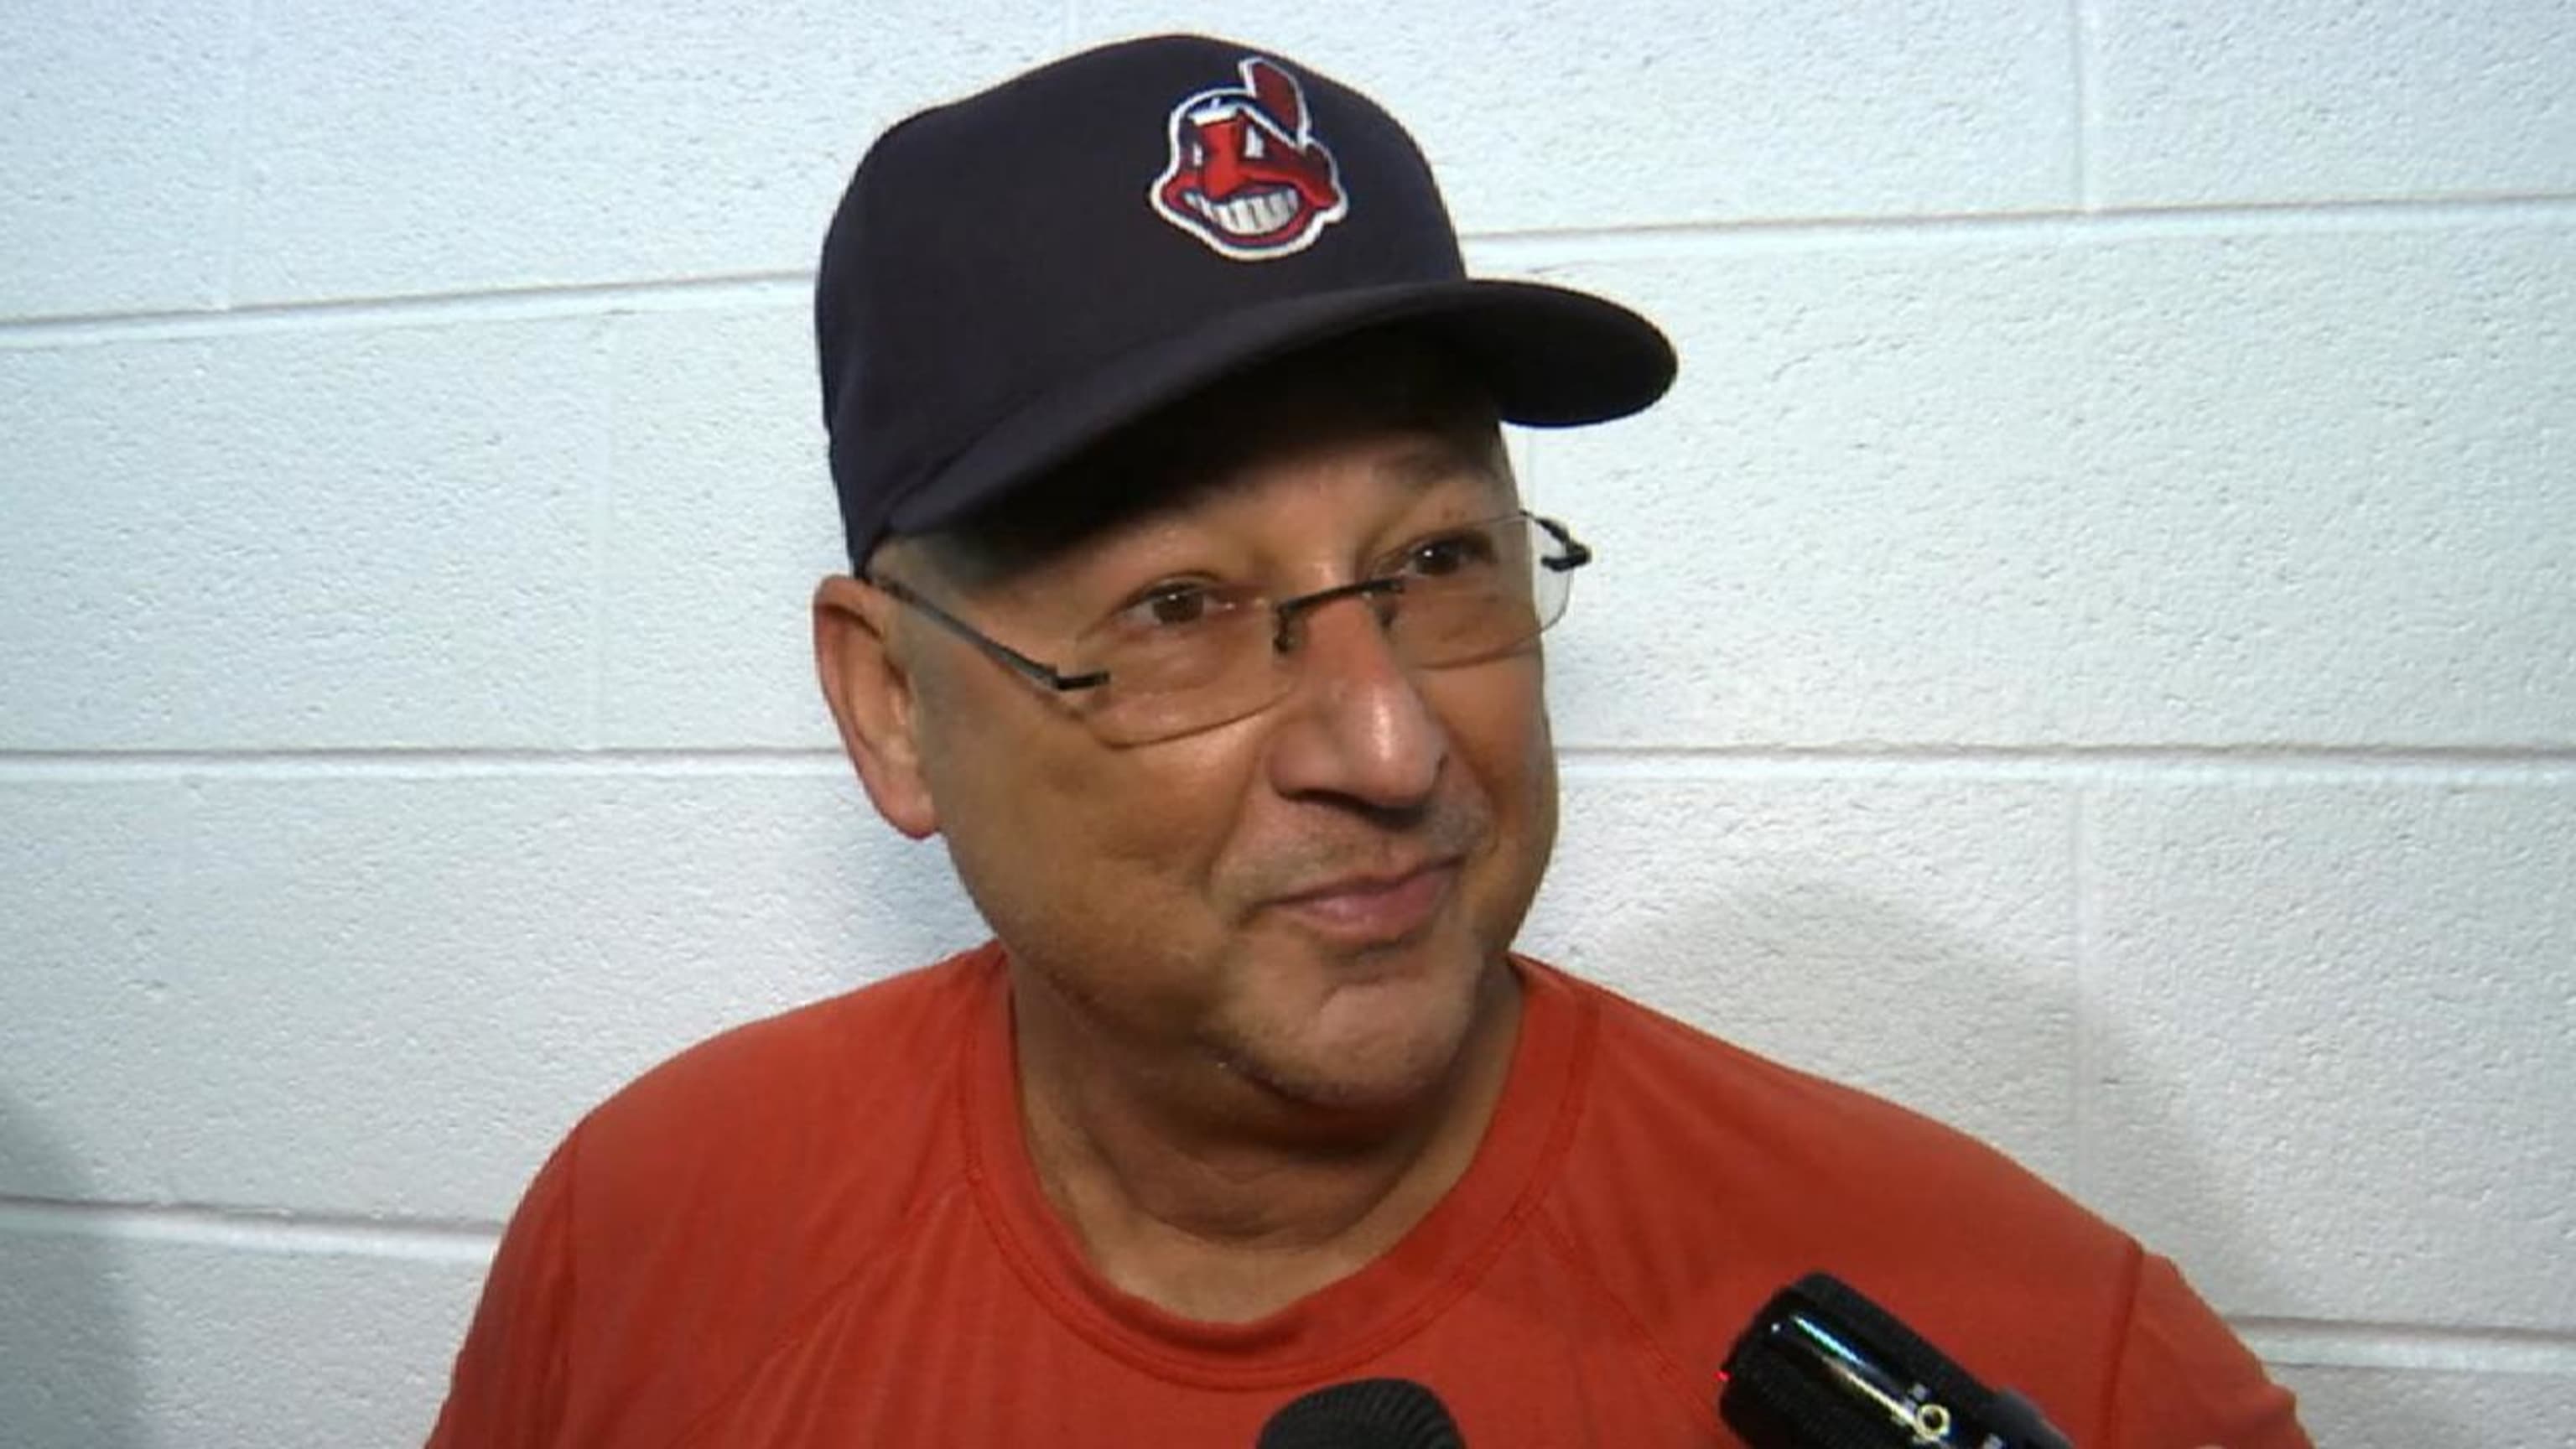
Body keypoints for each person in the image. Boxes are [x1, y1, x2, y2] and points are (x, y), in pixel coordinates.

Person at [426, 34, 2310, 1447]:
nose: (1395, 741)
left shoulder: (2038, 1351)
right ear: (894, 707)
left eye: (1435, 560)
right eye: (1180, 607)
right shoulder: (653, 1235)